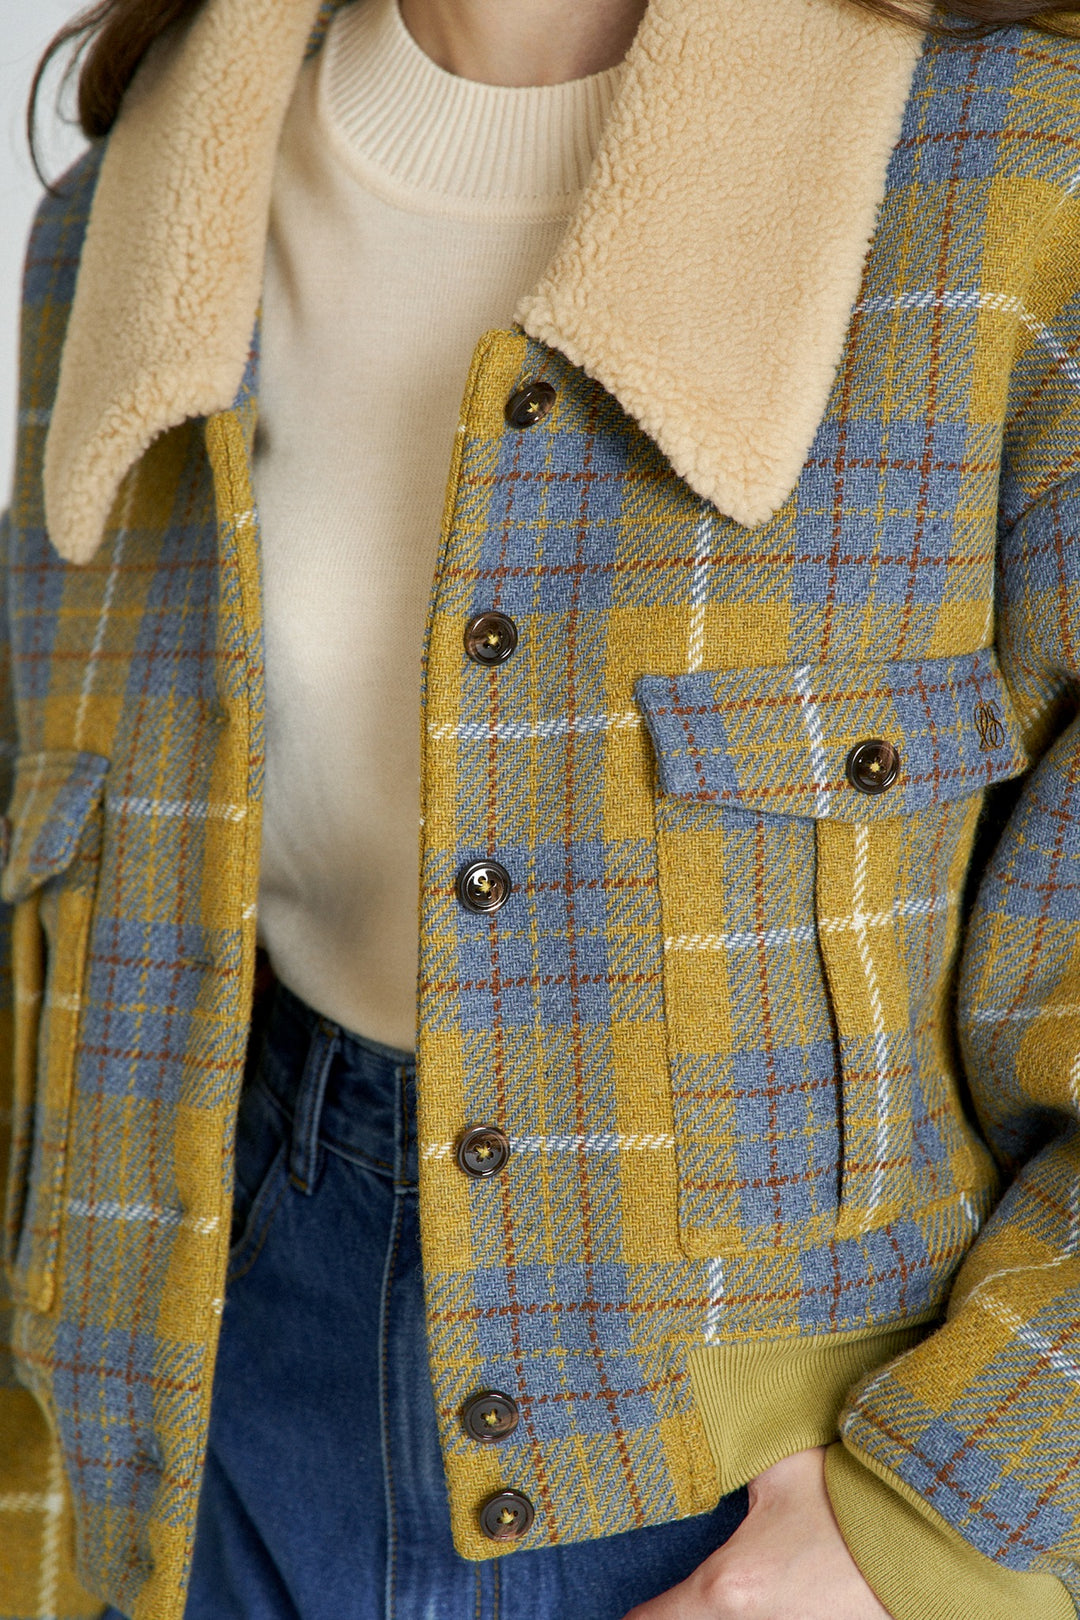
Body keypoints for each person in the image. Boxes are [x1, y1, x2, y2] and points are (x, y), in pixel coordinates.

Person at [2, 0, 1080, 1614]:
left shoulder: (1013, 179)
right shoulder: (137, 206)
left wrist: (928, 1520)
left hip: (760, 1489)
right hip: (201, 1432)